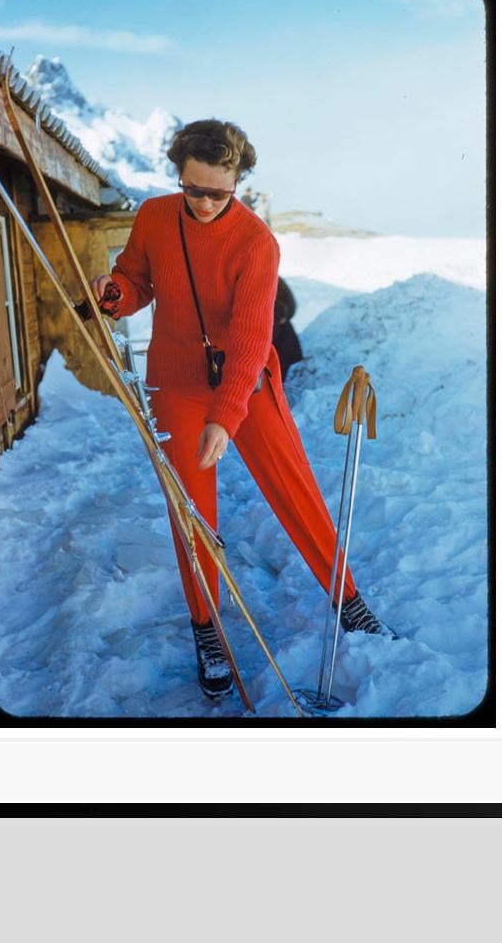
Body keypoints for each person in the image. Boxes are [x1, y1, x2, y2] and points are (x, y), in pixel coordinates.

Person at [92, 119, 393, 700]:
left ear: (239, 182)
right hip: (176, 383)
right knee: (192, 512)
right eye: (193, 190)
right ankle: (206, 627)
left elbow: (255, 337)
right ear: (179, 177)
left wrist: (225, 417)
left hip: (246, 385)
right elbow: (136, 281)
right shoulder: (155, 217)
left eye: (218, 193)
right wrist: (115, 295)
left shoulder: (257, 242)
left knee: (295, 490)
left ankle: (348, 600)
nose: (204, 204)